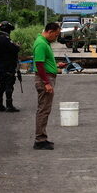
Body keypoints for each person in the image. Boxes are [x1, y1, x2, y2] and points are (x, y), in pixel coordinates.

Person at [32, 22, 67, 150]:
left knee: (44, 109)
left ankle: (41, 137)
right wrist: (46, 82)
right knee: (43, 109)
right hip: (44, 79)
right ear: (50, 32)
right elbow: (39, 65)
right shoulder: (41, 44)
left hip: (46, 77)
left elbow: (44, 62)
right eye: (56, 35)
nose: (56, 38)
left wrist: (56, 66)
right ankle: (40, 140)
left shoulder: (44, 42)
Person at [0, 21, 21, 112]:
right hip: (8, 64)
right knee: (9, 84)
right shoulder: (5, 38)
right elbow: (14, 49)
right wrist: (17, 46)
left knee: (2, 84)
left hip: (0, 63)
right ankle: (9, 105)